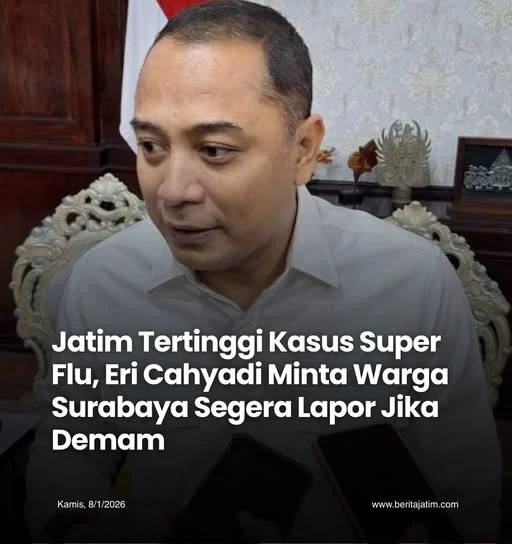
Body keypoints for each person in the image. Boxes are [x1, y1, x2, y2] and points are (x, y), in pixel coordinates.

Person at [25, 1, 502, 542]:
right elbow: (69, 461)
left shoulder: (412, 284)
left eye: (215, 150)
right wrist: (83, 521)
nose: (172, 192)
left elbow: (465, 490)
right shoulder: (104, 282)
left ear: (303, 149)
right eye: (152, 146)